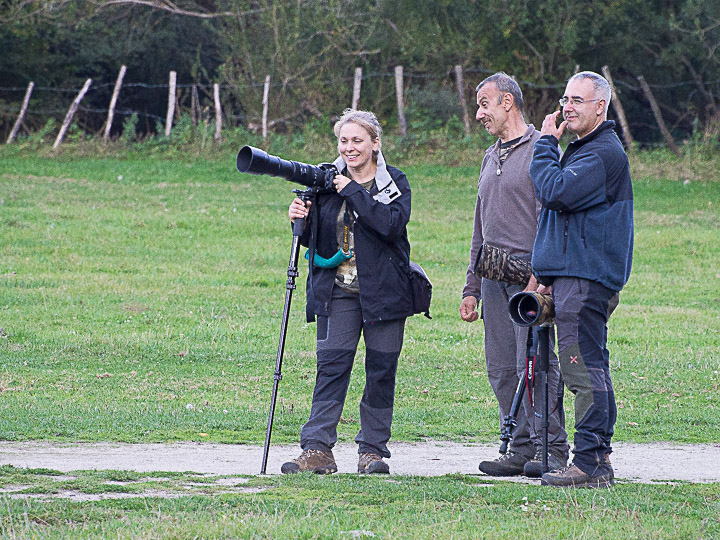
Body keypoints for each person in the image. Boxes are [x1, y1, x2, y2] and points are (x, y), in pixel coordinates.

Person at [281, 109, 414, 475]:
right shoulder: (326, 180)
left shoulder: (394, 181)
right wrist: (299, 220)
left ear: (375, 143)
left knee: (381, 369)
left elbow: (389, 225)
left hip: (385, 293)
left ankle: (372, 451)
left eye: (358, 141)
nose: (350, 148)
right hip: (337, 290)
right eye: (344, 141)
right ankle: (317, 449)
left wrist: (352, 190)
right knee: (331, 366)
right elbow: (314, 239)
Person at [460, 72, 569, 477]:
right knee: (502, 367)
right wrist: (471, 286)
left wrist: (538, 279)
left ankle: (552, 449)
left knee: (537, 364)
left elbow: (550, 219)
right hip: (491, 279)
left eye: (484, 103)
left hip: (530, 280)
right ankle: (520, 448)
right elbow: (479, 227)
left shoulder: (541, 148)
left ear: (508, 102)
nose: (479, 113)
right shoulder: (491, 155)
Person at [530, 71, 634, 488]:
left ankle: (588, 462)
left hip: (586, 279)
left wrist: (543, 144)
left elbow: (553, 191)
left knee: (581, 369)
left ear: (600, 107)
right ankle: (599, 458)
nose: (567, 107)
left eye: (578, 100)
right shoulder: (586, 150)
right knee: (593, 366)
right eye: (565, 98)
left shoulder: (600, 154)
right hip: (578, 276)